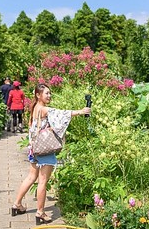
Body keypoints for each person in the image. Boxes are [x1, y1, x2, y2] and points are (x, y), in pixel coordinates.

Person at [10, 84, 91, 224]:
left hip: (34, 148)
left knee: (31, 177)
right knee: (42, 181)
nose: (49, 96)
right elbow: (63, 113)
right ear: (38, 95)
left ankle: (16, 204)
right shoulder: (44, 109)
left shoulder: (34, 108)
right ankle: (40, 213)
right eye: (46, 93)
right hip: (44, 150)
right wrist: (81, 111)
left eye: (50, 93)